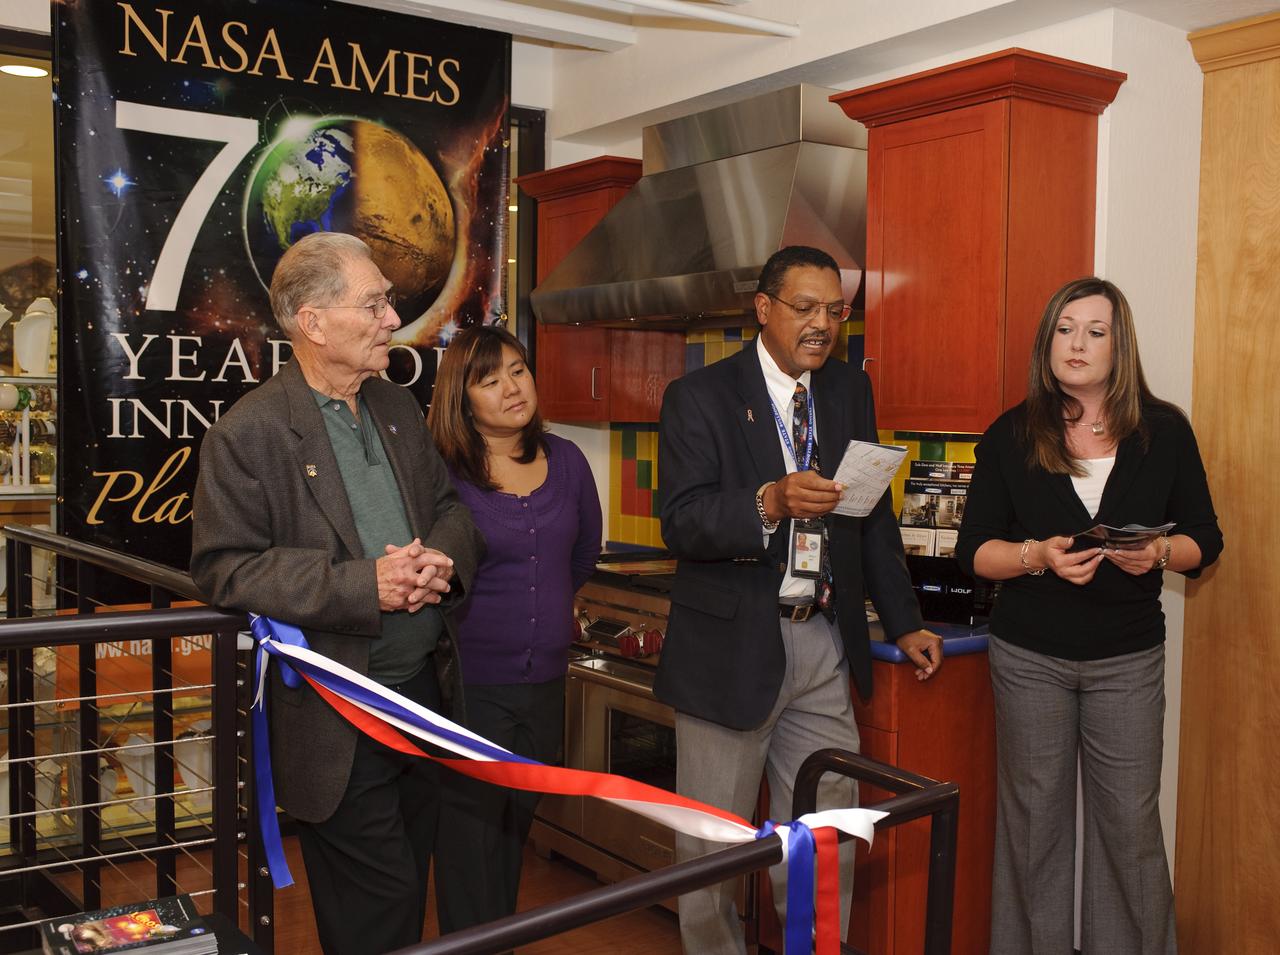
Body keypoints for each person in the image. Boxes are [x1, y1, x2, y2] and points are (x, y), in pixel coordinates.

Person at [190, 231, 483, 955]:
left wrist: (440, 559)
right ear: (312, 322)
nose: (393, 319)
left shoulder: (393, 406)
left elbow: (449, 509)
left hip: (422, 697)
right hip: (336, 722)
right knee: (377, 911)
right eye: (375, 303)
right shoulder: (248, 434)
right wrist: (365, 585)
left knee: (407, 890)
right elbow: (225, 566)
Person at [656, 245, 943, 954]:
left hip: (821, 639)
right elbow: (683, 520)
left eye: (834, 311)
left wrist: (904, 621)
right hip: (730, 647)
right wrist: (769, 501)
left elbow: (870, 512)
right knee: (712, 853)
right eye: (805, 308)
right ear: (764, 309)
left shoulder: (849, 390)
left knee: (824, 835)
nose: (821, 324)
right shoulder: (699, 396)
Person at [955, 277, 1222, 955]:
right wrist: (1034, 555)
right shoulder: (1011, 433)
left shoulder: (1163, 432)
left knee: (1129, 830)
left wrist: (1158, 551)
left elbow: (1204, 542)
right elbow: (974, 551)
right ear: (1047, 342)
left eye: (1094, 331)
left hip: (1128, 660)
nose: (1076, 343)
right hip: (1030, 657)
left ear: (1119, 345)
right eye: (1064, 329)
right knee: (1034, 827)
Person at [426, 324, 602, 933]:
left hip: (545, 685)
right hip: (469, 689)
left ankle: (489, 941)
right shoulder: (443, 472)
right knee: (470, 846)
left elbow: (581, 557)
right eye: (489, 378)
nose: (511, 387)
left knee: (511, 835)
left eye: (518, 370)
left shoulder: (570, 462)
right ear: (462, 397)